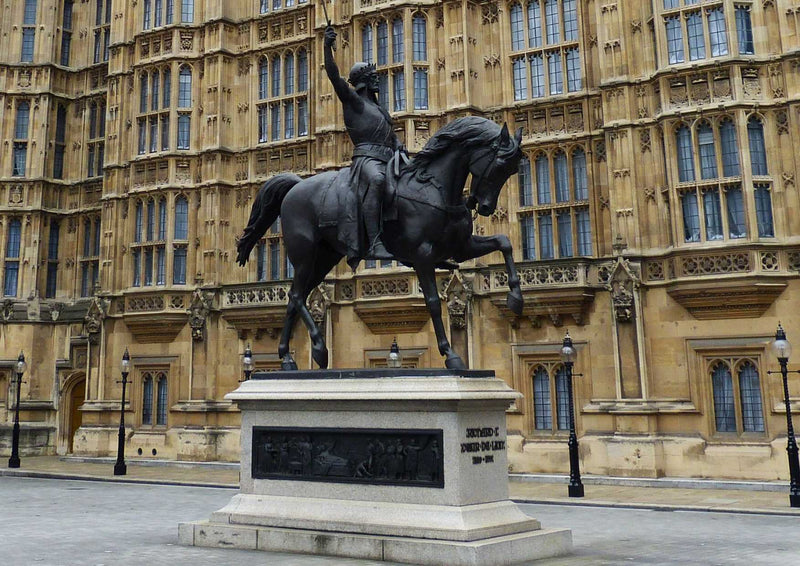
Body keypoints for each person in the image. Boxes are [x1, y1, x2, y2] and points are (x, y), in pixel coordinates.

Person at [324, 25, 401, 261]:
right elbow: (334, 76)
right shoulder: (354, 102)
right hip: (366, 160)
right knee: (377, 181)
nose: (378, 79)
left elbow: (391, 136)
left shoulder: (378, 108)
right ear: (363, 81)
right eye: (373, 77)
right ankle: (375, 241)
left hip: (388, 157)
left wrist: (399, 147)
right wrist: (327, 47)